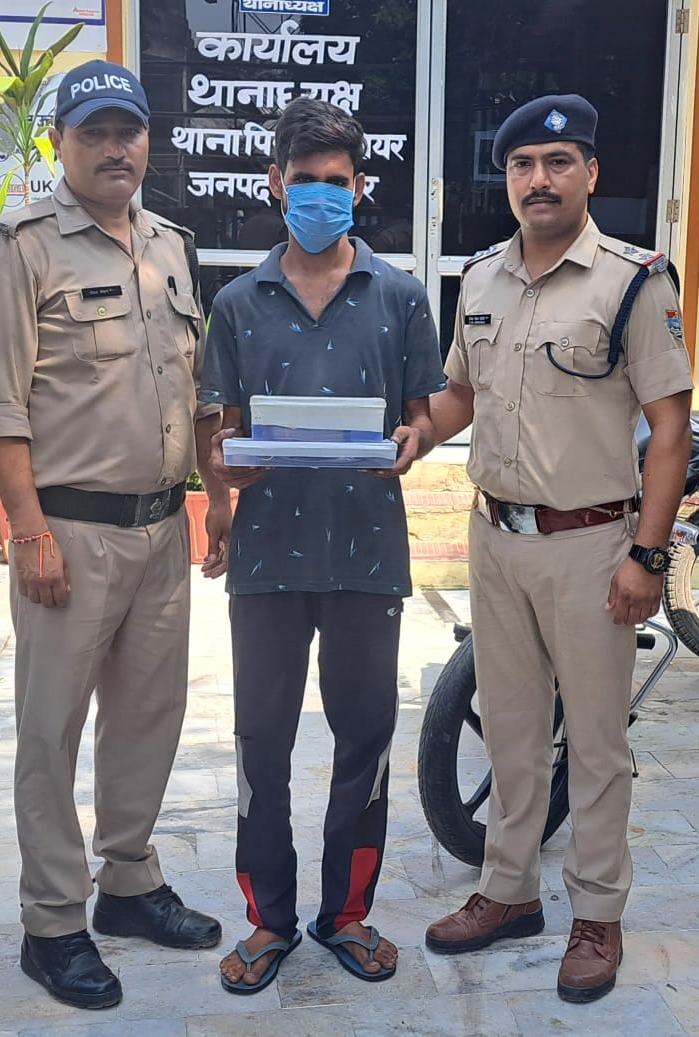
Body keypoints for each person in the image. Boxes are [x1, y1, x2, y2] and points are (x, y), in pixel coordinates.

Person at [0, 60, 230, 1010]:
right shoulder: (18, 249)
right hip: (69, 535)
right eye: (94, 133)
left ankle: (128, 881)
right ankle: (50, 921)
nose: (115, 149)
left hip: (160, 529)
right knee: (51, 730)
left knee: (149, 716)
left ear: (147, 141)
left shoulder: (169, 245)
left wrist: (218, 497)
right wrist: (27, 529)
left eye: (129, 132)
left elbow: (197, 389)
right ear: (59, 144)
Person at [422, 94, 693, 1003]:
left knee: (597, 742)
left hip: (590, 546)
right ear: (505, 178)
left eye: (556, 162)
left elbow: (669, 428)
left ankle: (597, 914)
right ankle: (507, 891)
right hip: (494, 540)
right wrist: (409, 435)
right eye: (521, 166)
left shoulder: (633, 281)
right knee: (509, 730)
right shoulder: (480, 279)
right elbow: (459, 396)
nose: (537, 180)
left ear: (589, 173)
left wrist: (646, 556)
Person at [201, 96, 445, 994]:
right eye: (303, 181)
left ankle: (345, 913)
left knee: (365, 738)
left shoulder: (401, 296)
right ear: (275, 183)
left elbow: (420, 416)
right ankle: (267, 919)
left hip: (366, 557)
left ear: (360, 188)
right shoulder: (236, 302)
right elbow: (217, 429)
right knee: (259, 741)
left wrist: (415, 440)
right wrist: (222, 478)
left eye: (335, 183)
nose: (318, 196)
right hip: (266, 561)